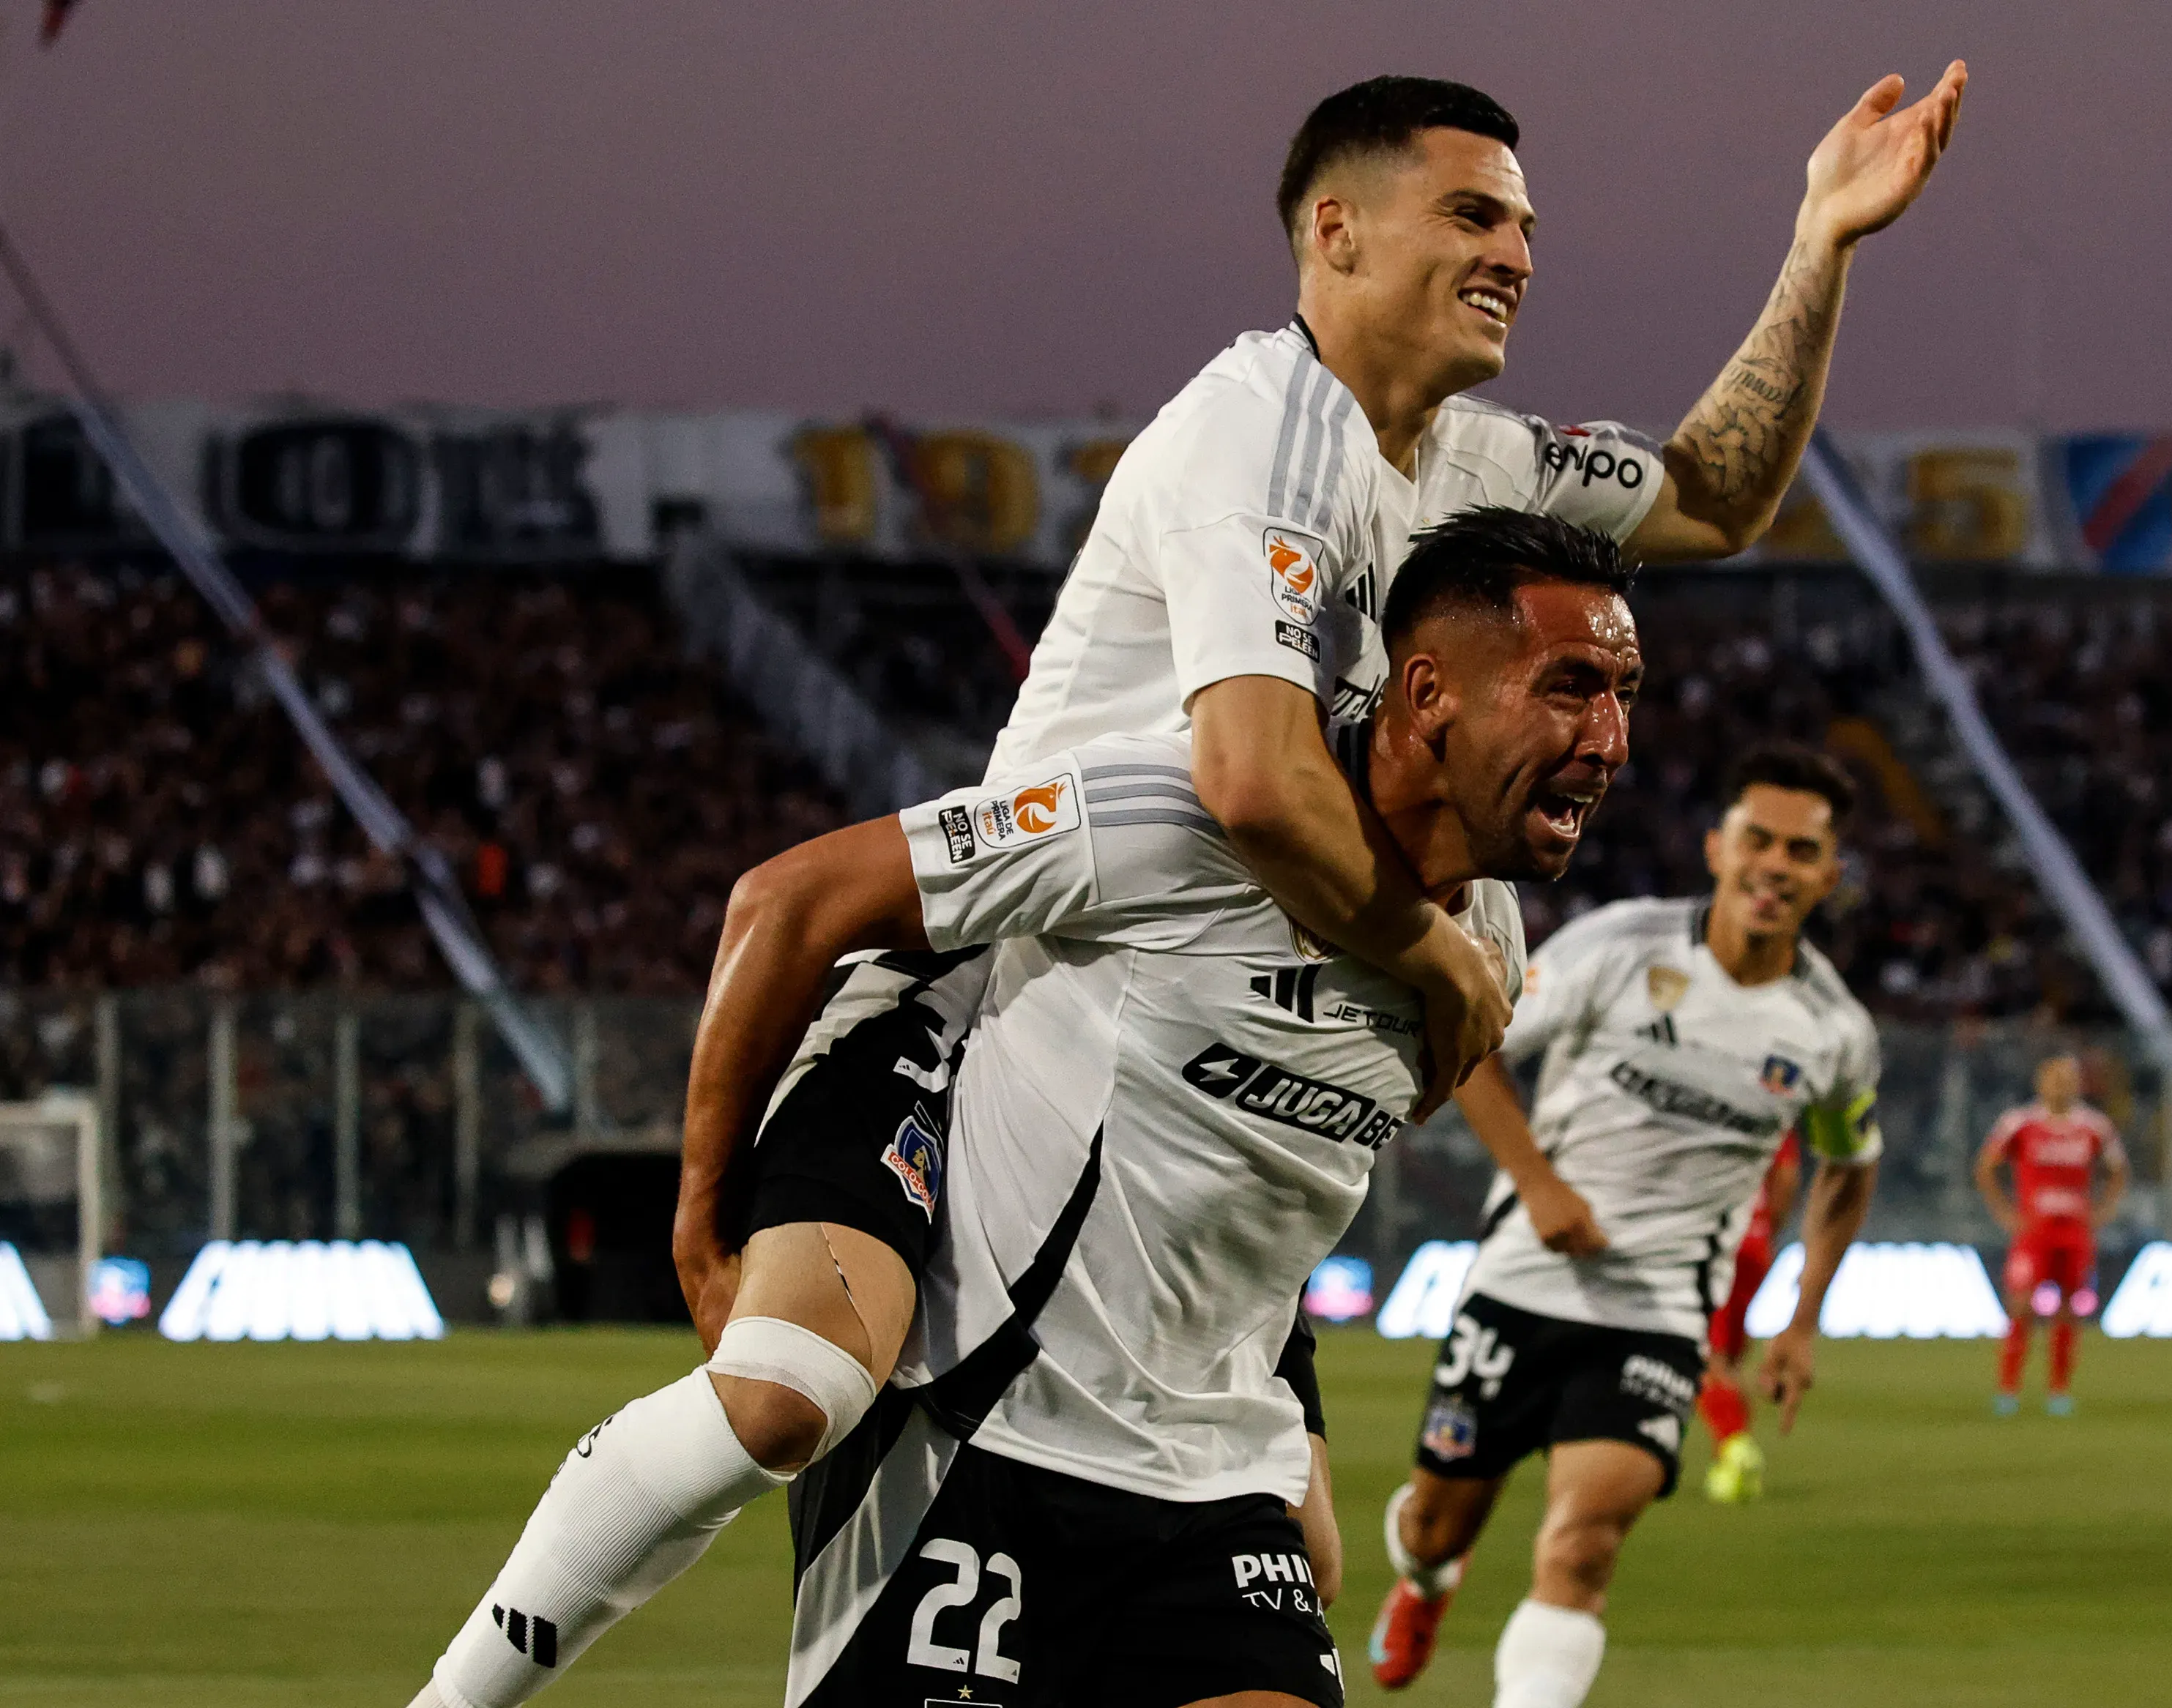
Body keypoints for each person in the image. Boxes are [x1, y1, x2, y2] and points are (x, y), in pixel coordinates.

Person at [649, 66, 1971, 1660]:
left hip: (1210, 1073)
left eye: (1528, 225)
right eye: (1472, 212)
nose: (1518, 253)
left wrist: (1821, 240)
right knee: (789, 1399)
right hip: (1002, 1033)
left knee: (1304, 1569)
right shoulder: (1263, 428)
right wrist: (1440, 963)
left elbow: (1716, 492)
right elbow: (1258, 781)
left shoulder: (1479, 469)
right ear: (1334, 233)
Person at [410, 509, 1638, 1708]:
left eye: (1625, 692)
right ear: (1427, 693)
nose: (1612, 735)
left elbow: (1269, 1165)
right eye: (1572, 684)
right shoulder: (1177, 816)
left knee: (1311, 1561)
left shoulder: (1485, 947)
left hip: (1196, 1466)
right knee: (785, 1392)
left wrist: (1289, 1405)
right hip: (979, 1414)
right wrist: (703, 1217)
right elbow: (789, 904)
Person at [1369, 745, 1885, 1707]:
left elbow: (1850, 1164)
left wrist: (1804, 1318)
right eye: (1758, 840)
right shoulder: (1618, 947)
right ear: (1717, 848)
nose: (1776, 864)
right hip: (1520, 1281)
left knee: (1583, 1544)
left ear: (1828, 873)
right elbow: (1472, 1035)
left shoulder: (1833, 1030)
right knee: (1439, 1524)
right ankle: (1427, 1582)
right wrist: (1539, 1184)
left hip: (1658, 1313)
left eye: (1802, 851)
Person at [1975, 1054, 2128, 1417]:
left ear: (2078, 1085)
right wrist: (2004, 1212)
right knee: (2021, 1305)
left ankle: (2059, 1390)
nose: (2062, 1085)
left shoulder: (2094, 1126)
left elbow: (2118, 1171)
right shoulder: (2019, 1123)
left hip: (2075, 1232)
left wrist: (2103, 1211)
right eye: (2055, 1079)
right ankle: (2008, 1388)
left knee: (2068, 1309)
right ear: (2040, 1083)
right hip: (2034, 1232)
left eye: (2069, 1079)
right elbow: (1986, 1167)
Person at [1695, 1127, 1802, 1503]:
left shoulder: (1706, 1106)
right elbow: (1788, 1174)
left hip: (1714, 1245)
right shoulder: (1773, 1110)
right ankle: (1733, 1467)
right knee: (1733, 1358)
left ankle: (1735, 1447)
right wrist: (1769, 1227)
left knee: (1707, 1359)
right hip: (1755, 1246)